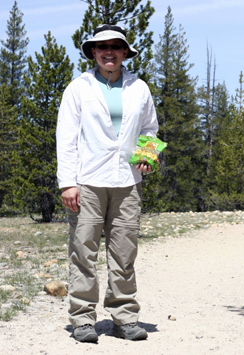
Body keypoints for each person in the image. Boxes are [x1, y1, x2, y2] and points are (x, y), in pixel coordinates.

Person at [56, 24, 158, 343]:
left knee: (124, 252)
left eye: (116, 46)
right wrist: (67, 183)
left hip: (128, 182)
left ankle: (124, 316)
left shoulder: (139, 88)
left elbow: (151, 129)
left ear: (126, 52)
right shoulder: (78, 88)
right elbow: (67, 138)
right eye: (102, 47)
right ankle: (83, 319)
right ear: (93, 53)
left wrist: (147, 155)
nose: (109, 51)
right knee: (83, 251)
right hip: (87, 181)